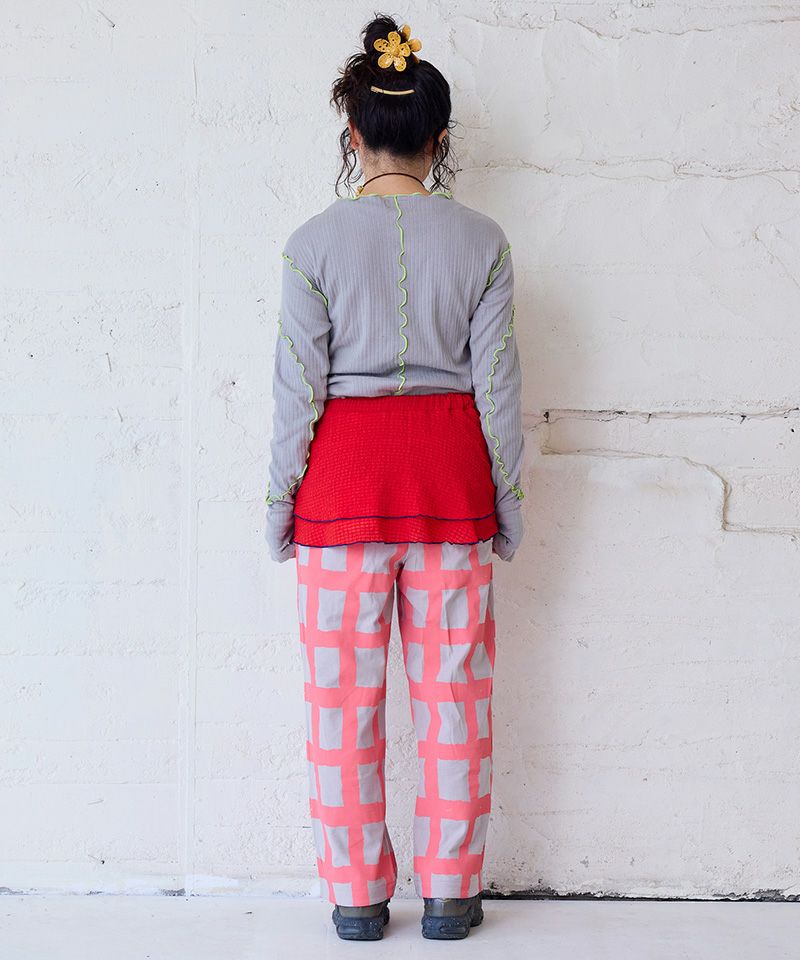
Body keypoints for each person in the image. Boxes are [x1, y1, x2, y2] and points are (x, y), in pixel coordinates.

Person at [265, 15, 525, 942]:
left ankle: (357, 899)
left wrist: (277, 504)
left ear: (353, 134)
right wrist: (508, 504)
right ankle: (451, 896)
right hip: (451, 490)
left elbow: (297, 389)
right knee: (456, 700)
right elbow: (499, 388)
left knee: (342, 708)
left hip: (340, 494)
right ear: (438, 140)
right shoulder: (484, 241)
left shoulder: (311, 243)